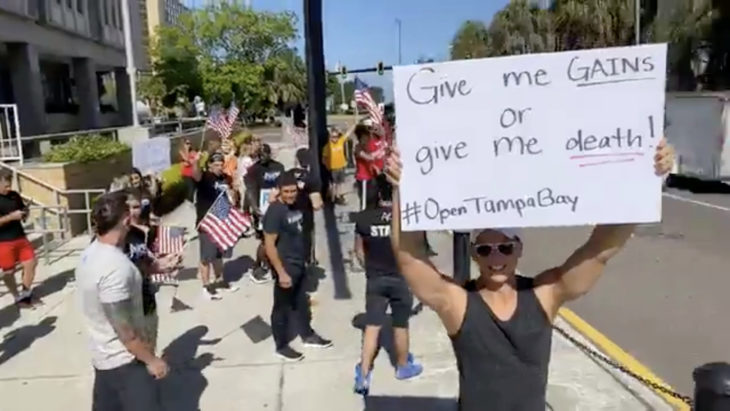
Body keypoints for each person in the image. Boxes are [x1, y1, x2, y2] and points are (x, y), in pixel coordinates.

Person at [384, 139, 676, 411]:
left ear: (519, 249)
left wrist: (647, 180)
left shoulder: (543, 295)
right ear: (473, 253)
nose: (496, 257)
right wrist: (403, 190)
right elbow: (410, 259)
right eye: (485, 249)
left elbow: (599, 249)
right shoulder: (459, 304)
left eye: (505, 247)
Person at [76, 191, 168, 411]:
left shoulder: (89, 254)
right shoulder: (115, 268)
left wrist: (155, 267)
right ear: (126, 220)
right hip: (125, 364)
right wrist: (151, 360)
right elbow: (125, 332)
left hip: (103, 358)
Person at [352, 175, 422, 395]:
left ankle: (363, 374)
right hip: (400, 277)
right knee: (400, 324)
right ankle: (402, 366)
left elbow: (358, 251)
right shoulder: (404, 217)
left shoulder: (363, 218)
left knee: (372, 327)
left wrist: (370, 268)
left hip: (375, 278)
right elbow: (416, 249)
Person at [263, 171, 332, 361]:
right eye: (286, 191)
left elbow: (315, 195)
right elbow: (269, 245)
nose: (290, 195)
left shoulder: (296, 205)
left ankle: (308, 335)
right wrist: (281, 273)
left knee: (302, 303)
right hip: (285, 266)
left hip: (299, 264)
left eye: (293, 191)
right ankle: (281, 345)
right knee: (282, 307)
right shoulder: (275, 211)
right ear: (279, 191)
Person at [122, 190, 181, 352]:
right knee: (133, 349)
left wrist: (164, 265)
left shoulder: (141, 233)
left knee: (150, 342)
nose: (135, 212)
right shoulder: (116, 237)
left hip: (146, 295)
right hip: (126, 301)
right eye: (130, 208)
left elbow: (146, 262)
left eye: (137, 207)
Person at [192, 152, 239, 300]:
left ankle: (220, 281)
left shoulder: (223, 178)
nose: (219, 167)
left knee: (218, 255)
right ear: (210, 165)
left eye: (221, 165)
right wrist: (195, 162)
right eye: (216, 165)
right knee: (206, 257)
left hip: (221, 221)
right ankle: (206, 287)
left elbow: (228, 196)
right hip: (207, 223)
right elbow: (196, 175)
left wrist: (233, 193)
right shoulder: (205, 177)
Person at [246, 144, 285, 284]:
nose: (262, 157)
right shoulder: (253, 170)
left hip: (277, 204)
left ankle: (273, 266)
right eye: (259, 154)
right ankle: (258, 267)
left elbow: (283, 186)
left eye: (264, 154)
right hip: (262, 206)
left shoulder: (279, 167)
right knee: (265, 240)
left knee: (278, 238)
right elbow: (249, 191)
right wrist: (254, 209)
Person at [0, 169, 37, 308]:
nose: (8, 189)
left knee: (31, 263)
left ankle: (26, 294)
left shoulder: (14, 195)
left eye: (10, 185)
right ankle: (16, 296)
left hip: (19, 236)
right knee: (9, 272)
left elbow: (21, 212)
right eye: (5, 186)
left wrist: (25, 213)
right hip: (3, 241)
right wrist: (10, 217)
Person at [290, 148, 323, 267]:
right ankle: (308, 260)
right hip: (305, 214)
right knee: (307, 237)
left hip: (288, 214)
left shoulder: (287, 174)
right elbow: (316, 204)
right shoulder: (312, 178)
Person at [354, 123, 385, 210]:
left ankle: (369, 220)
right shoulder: (358, 148)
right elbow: (369, 157)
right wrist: (380, 151)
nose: (368, 139)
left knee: (373, 202)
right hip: (363, 179)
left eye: (368, 136)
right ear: (360, 137)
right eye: (365, 137)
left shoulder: (367, 146)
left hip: (371, 178)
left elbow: (372, 160)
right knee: (365, 205)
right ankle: (362, 222)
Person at [322, 124, 355, 204]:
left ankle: (338, 196)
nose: (335, 139)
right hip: (333, 168)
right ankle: (333, 198)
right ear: (330, 137)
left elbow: (347, 133)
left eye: (336, 136)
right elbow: (324, 158)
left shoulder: (340, 141)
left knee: (340, 183)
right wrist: (327, 166)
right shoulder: (327, 146)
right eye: (333, 137)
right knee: (334, 184)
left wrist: (353, 125)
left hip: (341, 166)